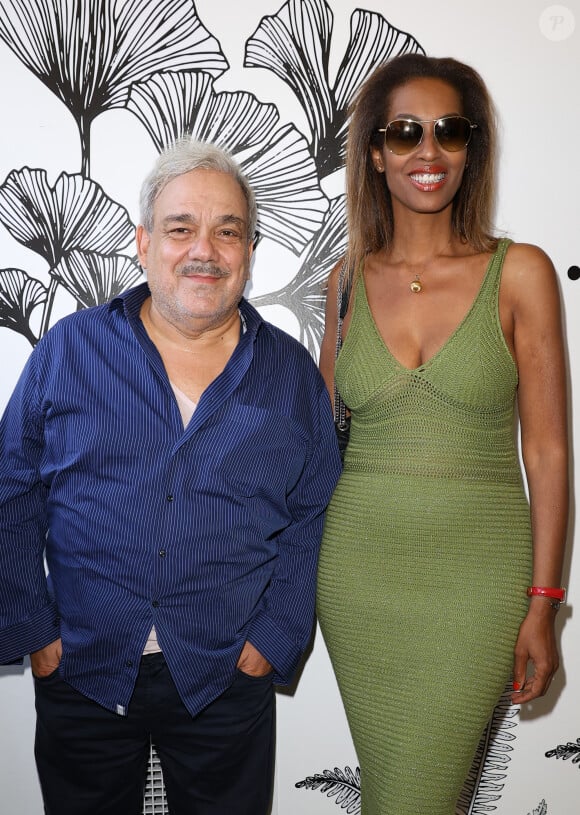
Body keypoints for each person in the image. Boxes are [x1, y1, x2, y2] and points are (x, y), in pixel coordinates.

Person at [0, 138, 342, 815]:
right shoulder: (69, 349)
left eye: (227, 231)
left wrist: (270, 641)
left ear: (248, 248)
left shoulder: (291, 376)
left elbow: (314, 512)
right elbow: (11, 494)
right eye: (181, 227)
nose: (204, 250)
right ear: (143, 241)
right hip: (83, 671)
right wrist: (35, 633)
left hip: (225, 679)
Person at [317, 53, 569, 815]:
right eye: (404, 133)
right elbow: (317, 439)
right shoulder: (346, 279)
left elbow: (549, 450)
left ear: (472, 148)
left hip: (477, 581)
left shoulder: (520, 271)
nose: (428, 152)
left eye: (449, 131)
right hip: (359, 578)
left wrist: (545, 601)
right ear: (374, 152)